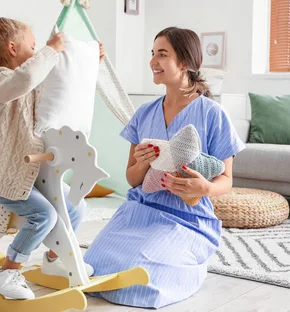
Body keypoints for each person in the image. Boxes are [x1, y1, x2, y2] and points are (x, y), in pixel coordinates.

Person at [83, 26, 246, 308]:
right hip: (140, 210)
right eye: (152, 54)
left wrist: (204, 187)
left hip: (186, 218)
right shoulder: (143, 114)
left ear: (184, 63)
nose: (152, 62)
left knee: (145, 278)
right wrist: (144, 163)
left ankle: (187, 265)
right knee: (93, 266)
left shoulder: (213, 114)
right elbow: (132, 180)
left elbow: (227, 180)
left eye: (162, 54)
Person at [0, 11, 105, 300]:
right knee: (45, 214)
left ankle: (54, 258)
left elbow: (59, 88)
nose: (37, 50)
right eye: (32, 46)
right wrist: (51, 49)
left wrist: (90, 62)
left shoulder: (29, 82)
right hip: (3, 174)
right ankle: (7, 271)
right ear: (12, 48)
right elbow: (27, 77)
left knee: (77, 208)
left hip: (31, 173)